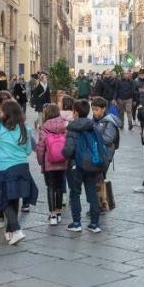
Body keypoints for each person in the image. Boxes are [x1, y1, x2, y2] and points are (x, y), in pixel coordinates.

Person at [0, 101, 38, 245]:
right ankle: (10, 231)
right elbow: (28, 151)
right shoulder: (25, 128)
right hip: (22, 166)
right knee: (13, 197)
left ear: (6, 113)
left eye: (1, 111)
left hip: (4, 168)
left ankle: (17, 229)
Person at [62, 99, 105, 233]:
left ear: (75, 112)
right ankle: (94, 223)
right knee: (92, 192)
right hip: (92, 163)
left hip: (76, 165)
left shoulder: (72, 128)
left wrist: (63, 152)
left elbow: (69, 151)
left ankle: (76, 223)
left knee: (75, 193)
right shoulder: (94, 126)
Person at [34, 104, 69, 226]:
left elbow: (40, 148)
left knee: (51, 188)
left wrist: (40, 162)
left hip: (49, 163)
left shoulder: (44, 129)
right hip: (62, 162)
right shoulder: (64, 127)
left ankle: (52, 214)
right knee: (60, 187)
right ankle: (59, 213)